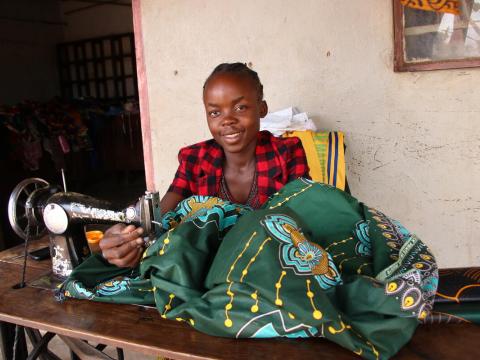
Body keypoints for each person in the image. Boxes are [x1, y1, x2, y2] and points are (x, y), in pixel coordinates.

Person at [99, 63, 310, 268]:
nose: (227, 120)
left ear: (262, 108)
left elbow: (305, 220)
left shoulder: (287, 154)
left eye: (240, 107)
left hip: (270, 266)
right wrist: (127, 238)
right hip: (207, 270)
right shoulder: (195, 160)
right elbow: (160, 219)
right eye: (215, 113)